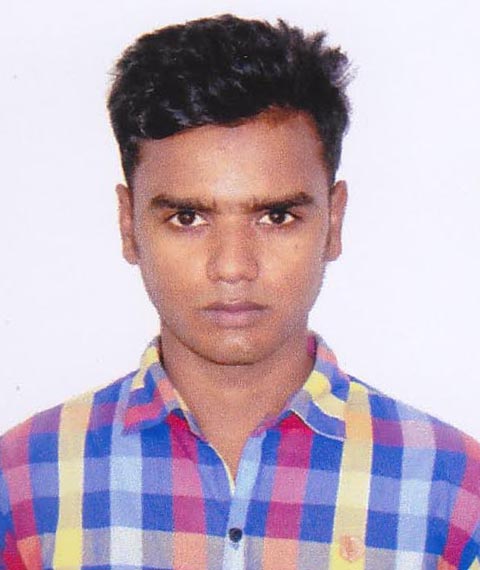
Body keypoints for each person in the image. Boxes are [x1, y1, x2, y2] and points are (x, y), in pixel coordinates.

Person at [0, 13, 478, 569]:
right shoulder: (24, 487)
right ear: (129, 226)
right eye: (187, 217)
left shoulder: (453, 495)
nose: (232, 267)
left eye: (276, 216)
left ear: (334, 221)